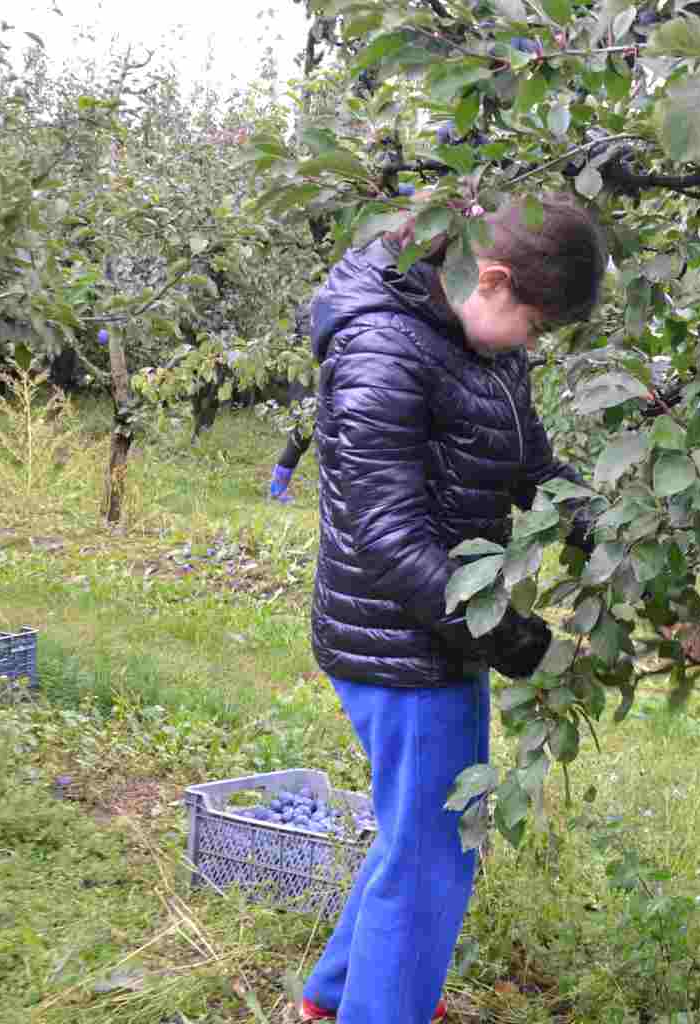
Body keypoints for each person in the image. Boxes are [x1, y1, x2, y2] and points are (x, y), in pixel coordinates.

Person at [299, 193, 604, 1023]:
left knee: (418, 835)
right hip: (399, 644)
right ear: (492, 279)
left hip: (443, 633)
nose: (531, 345)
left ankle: (338, 996)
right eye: (534, 326)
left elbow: (532, 467)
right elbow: (388, 539)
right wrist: (511, 638)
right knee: (436, 850)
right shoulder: (383, 350)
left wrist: (611, 533)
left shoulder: (480, 343)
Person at [268, 303, 316, 503]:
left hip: (312, 377)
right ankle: (277, 490)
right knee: (300, 437)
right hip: (305, 379)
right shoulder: (312, 311)